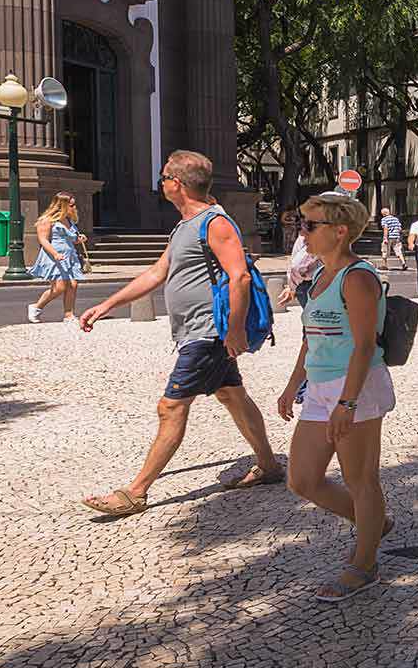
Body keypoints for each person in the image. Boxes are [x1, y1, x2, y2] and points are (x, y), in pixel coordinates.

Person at [76, 150, 284, 516]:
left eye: (164, 178)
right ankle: (269, 466)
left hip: (209, 332)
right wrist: (108, 305)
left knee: (170, 406)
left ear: (178, 184)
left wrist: (233, 332)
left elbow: (239, 276)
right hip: (198, 331)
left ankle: (135, 492)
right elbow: (157, 273)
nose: (161, 184)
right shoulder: (185, 226)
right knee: (232, 395)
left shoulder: (215, 223)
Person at [276, 191, 393, 603]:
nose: (301, 232)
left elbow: (364, 345)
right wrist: (294, 384)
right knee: (303, 479)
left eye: (310, 225)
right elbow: (312, 339)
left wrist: (347, 402)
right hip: (321, 388)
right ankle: (373, 523)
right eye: (301, 223)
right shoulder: (318, 277)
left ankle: (364, 564)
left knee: (361, 480)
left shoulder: (357, 277)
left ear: (340, 231)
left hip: (356, 387)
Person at [27, 191, 86, 323]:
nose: (74, 208)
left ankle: (69, 314)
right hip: (53, 256)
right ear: (62, 205)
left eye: (74, 205)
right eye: (71, 205)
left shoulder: (69, 220)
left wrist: (79, 239)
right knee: (59, 287)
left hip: (69, 256)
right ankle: (36, 307)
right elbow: (43, 240)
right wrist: (55, 254)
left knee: (73, 285)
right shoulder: (47, 220)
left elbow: (72, 239)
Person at [378, 207, 407, 271]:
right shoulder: (396, 219)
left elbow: (386, 229)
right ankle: (403, 263)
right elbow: (400, 228)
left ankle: (384, 265)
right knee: (398, 250)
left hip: (389, 237)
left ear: (383, 214)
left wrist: (385, 238)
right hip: (396, 237)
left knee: (385, 250)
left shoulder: (384, 219)